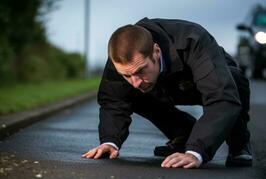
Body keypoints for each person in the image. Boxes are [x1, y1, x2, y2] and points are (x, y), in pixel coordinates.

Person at [82, 17, 252, 169]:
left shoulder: (193, 40)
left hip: (203, 83)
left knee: (235, 82)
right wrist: (110, 141)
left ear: (156, 51)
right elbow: (113, 101)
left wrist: (196, 152)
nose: (135, 81)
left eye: (141, 70)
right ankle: (183, 133)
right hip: (161, 88)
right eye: (127, 75)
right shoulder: (121, 58)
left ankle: (239, 144)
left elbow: (221, 97)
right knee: (132, 92)